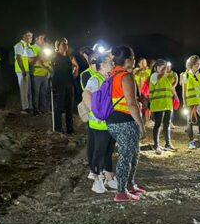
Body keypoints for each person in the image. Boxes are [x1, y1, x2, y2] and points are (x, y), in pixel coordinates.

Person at [106, 46, 146, 201]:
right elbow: (131, 103)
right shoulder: (126, 76)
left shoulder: (112, 74)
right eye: (134, 59)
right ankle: (121, 192)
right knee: (126, 156)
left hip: (113, 120)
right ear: (128, 60)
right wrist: (141, 125)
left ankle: (129, 185)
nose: (134, 61)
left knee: (133, 153)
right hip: (125, 121)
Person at [82, 53, 118, 193]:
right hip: (99, 123)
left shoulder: (109, 78)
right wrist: (96, 112)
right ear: (102, 65)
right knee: (99, 150)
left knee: (109, 150)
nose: (112, 65)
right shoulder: (95, 79)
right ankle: (97, 179)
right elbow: (86, 94)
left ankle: (108, 176)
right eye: (110, 62)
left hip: (110, 121)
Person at [50, 37, 79, 133]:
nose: (65, 45)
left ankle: (70, 128)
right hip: (58, 84)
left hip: (69, 84)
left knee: (69, 107)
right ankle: (58, 128)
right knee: (58, 107)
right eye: (63, 43)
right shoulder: (54, 56)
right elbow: (48, 66)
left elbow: (76, 66)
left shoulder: (70, 56)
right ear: (58, 46)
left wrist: (75, 71)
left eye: (66, 43)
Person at [149, 59, 176, 153]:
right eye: (160, 66)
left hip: (168, 105)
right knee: (158, 124)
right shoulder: (154, 75)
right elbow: (159, 76)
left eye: (163, 66)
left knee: (167, 124)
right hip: (158, 105)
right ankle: (156, 145)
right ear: (155, 68)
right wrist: (164, 70)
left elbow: (172, 86)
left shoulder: (166, 77)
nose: (162, 68)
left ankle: (168, 143)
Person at [182, 55, 200, 149]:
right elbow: (184, 91)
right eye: (195, 64)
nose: (197, 65)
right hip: (190, 103)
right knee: (189, 122)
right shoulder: (186, 75)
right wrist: (184, 103)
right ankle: (191, 142)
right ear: (191, 64)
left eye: (199, 64)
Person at [30, 34, 52, 114]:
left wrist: (49, 69)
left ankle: (43, 109)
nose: (43, 40)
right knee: (36, 92)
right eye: (41, 38)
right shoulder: (32, 48)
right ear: (36, 39)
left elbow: (48, 60)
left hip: (45, 74)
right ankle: (35, 110)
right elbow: (36, 61)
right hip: (36, 73)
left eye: (43, 38)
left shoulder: (44, 48)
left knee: (44, 92)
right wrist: (47, 68)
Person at [14, 31, 34, 113]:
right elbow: (19, 58)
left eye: (31, 36)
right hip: (21, 71)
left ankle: (28, 107)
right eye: (29, 36)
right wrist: (23, 70)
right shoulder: (20, 45)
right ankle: (25, 108)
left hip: (26, 70)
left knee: (27, 90)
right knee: (24, 90)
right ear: (24, 36)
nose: (31, 38)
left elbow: (30, 59)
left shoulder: (27, 46)